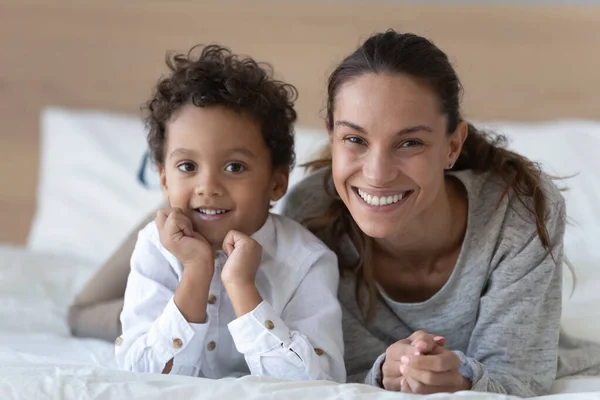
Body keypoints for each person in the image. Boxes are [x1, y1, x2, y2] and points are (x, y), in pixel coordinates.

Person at [69, 31, 600, 396]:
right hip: (186, 265)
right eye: (355, 140)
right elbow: (343, 367)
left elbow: (518, 375)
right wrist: (195, 224)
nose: (377, 173)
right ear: (331, 137)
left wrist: (454, 377)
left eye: (409, 142)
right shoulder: (312, 210)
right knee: (94, 311)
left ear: (453, 145)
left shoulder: (516, 216)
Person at [110, 44, 345, 382]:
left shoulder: (307, 261)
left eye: (235, 167)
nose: (208, 186)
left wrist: (240, 285)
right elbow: (138, 376)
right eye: (188, 166)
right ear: (163, 180)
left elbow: (317, 383)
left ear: (277, 183)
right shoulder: (154, 247)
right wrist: (196, 271)